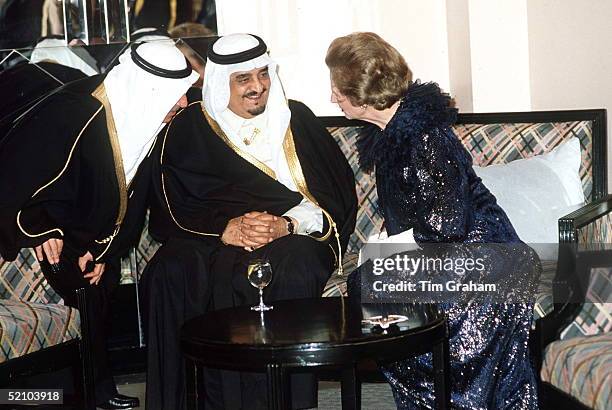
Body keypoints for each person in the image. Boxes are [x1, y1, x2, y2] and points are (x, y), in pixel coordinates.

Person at [140, 33, 357, 409]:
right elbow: (171, 204)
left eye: (263, 74)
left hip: (290, 234)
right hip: (214, 235)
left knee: (296, 265)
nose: (257, 87)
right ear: (221, 81)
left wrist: (285, 225)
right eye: (244, 79)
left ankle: (284, 402)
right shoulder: (189, 126)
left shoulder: (297, 119)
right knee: (171, 270)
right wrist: (223, 230)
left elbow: (333, 199)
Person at [325, 32, 538, 409]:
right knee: (370, 282)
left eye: (337, 89)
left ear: (360, 91)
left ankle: (450, 398)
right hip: (445, 248)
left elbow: (446, 225)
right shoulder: (391, 133)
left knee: (376, 285)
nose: (332, 98)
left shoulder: (423, 137)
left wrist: (386, 248)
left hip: (480, 254)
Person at [0, 40, 198, 409]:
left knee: (98, 283)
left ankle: (96, 388)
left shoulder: (141, 116)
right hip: (44, 227)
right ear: (150, 90)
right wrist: (40, 229)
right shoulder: (74, 112)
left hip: (90, 235)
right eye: (176, 95)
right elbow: (16, 175)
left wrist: (105, 250)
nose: (183, 104)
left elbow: (132, 196)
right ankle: (62, 397)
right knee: (75, 283)